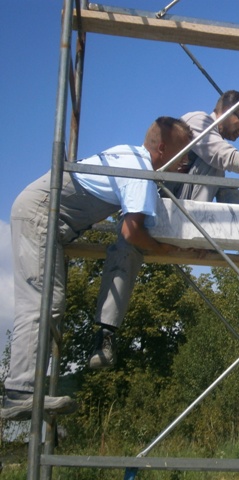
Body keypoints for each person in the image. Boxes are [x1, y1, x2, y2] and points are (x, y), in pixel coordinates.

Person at [85, 90, 239, 372]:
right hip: (166, 204)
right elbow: (224, 157)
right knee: (215, 163)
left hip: (183, 206)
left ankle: (209, 228)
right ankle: (105, 332)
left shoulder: (213, 143)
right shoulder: (198, 121)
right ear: (230, 111)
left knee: (223, 178)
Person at [1, 117, 201, 421]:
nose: (185, 162)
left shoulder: (129, 154)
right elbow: (132, 234)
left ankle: (26, 389)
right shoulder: (139, 172)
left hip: (44, 216)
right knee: (43, 302)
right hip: (39, 217)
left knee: (47, 302)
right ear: (161, 149)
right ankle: (20, 392)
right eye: (182, 153)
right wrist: (163, 249)